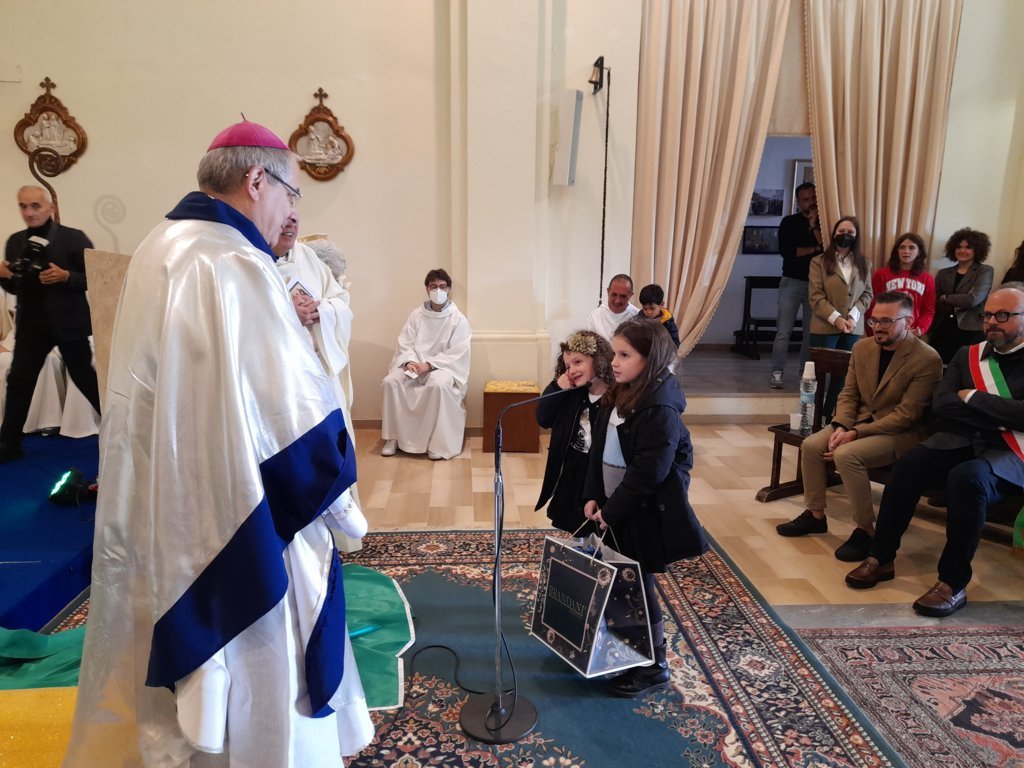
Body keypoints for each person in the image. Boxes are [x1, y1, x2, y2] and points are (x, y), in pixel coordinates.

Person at [63, 119, 374, 767]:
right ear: (256, 180)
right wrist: (339, 499)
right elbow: (287, 407)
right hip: (240, 500)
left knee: (187, 665)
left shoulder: (160, 243)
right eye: (290, 192)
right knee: (262, 665)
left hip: (167, 492)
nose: (291, 209)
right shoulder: (235, 261)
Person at [845, 285, 1024, 617]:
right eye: (987, 315)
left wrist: (974, 398)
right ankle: (881, 557)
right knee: (910, 463)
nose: (992, 322)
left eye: (1003, 315)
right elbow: (942, 404)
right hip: (960, 441)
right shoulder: (967, 354)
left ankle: (952, 583)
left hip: (1010, 453)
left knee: (966, 478)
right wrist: (1001, 414)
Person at [583, 319, 707, 697]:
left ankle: (654, 666)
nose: (614, 362)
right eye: (614, 353)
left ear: (650, 359)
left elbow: (648, 474)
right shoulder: (620, 392)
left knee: (637, 585)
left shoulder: (659, 408)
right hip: (615, 502)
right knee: (619, 580)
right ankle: (627, 649)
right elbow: (598, 449)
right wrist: (593, 494)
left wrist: (613, 512)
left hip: (640, 509)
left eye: (625, 355)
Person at [776, 292, 942, 561]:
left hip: (901, 433)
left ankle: (866, 530)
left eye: (886, 321)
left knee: (847, 455)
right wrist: (841, 425)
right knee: (812, 445)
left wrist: (855, 433)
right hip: (858, 422)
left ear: (909, 322)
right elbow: (849, 394)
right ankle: (815, 515)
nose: (878, 327)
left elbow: (907, 415)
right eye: (874, 320)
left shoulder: (927, 359)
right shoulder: (862, 348)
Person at [273, 213, 363, 551]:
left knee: (332, 448)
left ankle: (339, 536)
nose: (290, 225)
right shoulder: (252, 262)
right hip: (282, 379)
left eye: (294, 219)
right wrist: (288, 314)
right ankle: (301, 543)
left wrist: (322, 309)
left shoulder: (308, 257)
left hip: (321, 370)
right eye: (282, 220)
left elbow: (341, 301)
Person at [0, 185, 100, 462]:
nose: (29, 212)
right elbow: (15, 288)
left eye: (35, 205)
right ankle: (9, 443)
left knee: (85, 379)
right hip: (32, 326)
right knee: (19, 381)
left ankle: (123, 430)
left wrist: (67, 277)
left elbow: (96, 278)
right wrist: (4, 276)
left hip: (69, 323)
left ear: (50, 208)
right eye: (23, 206)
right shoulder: (15, 241)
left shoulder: (74, 238)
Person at [380, 268, 471, 460]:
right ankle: (394, 438)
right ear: (427, 289)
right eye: (433, 286)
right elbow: (405, 342)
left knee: (438, 385)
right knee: (391, 381)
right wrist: (409, 362)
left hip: (442, 368)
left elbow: (458, 352)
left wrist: (429, 365)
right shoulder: (416, 315)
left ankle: (436, 443)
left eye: (443, 287)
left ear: (449, 289)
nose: (438, 291)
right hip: (415, 365)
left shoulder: (458, 319)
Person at [534, 330, 614, 533]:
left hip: (597, 473)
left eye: (578, 362)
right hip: (572, 469)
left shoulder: (614, 398)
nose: (572, 370)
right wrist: (556, 388)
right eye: (567, 366)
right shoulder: (572, 394)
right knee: (573, 524)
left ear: (599, 360)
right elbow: (543, 418)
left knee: (596, 526)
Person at [808, 216, 872, 420]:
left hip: (852, 327)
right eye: (841, 231)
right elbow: (816, 296)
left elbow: (867, 294)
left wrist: (853, 317)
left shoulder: (864, 263)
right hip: (824, 326)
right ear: (834, 233)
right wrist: (836, 318)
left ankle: (832, 417)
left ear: (856, 236)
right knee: (817, 374)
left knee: (843, 377)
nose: (845, 235)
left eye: (850, 232)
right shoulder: (818, 262)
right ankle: (812, 417)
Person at [770, 182, 822, 389]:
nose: (810, 203)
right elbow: (789, 252)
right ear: (798, 202)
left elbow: (827, 250)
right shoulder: (789, 222)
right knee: (784, 331)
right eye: (805, 199)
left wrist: (814, 226)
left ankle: (805, 375)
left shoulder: (825, 224)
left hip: (816, 284)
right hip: (791, 281)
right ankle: (777, 372)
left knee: (810, 333)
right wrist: (815, 249)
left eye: (813, 198)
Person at [931, 227, 994, 364]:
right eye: (959, 247)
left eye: (968, 247)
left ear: (977, 249)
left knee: (964, 367)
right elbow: (935, 301)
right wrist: (958, 300)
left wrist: (946, 298)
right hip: (942, 327)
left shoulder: (985, 271)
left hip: (970, 330)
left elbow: (973, 299)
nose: (962, 250)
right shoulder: (943, 273)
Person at [865, 232, 936, 337]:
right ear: (897, 251)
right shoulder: (881, 275)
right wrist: (874, 331)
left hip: (913, 333)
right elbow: (871, 306)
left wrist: (920, 329)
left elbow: (928, 310)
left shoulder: (927, 278)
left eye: (911, 248)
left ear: (919, 252)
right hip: (885, 331)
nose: (906, 251)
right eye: (902, 247)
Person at [587, 273, 640, 341]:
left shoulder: (638, 316)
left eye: (623, 296)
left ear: (631, 295)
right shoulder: (595, 316)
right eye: (614, 295)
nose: (617, 301)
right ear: (608, 291)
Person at [638, 283, 680, 347]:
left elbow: (675, 343)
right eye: (645, 308)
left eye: (652, 308)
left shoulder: (668, 322)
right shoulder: (637, 320)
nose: (648, 312)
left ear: (661, 305)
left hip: (662, 351)